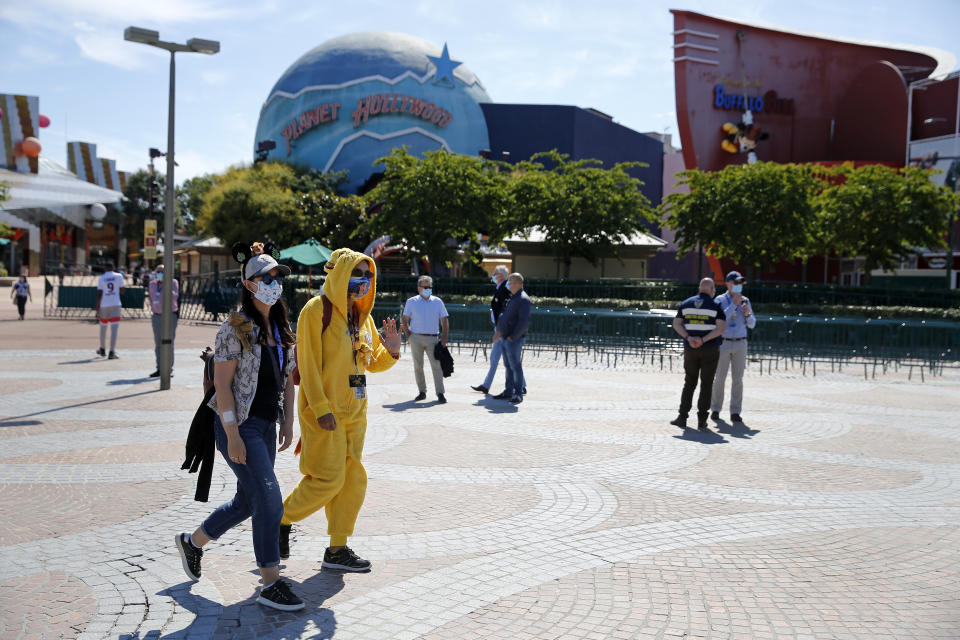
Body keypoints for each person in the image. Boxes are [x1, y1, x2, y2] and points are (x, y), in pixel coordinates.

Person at [174, 241, 305, 611]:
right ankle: (270, 580)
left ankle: (193, 542)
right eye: (266, 277)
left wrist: (289, 422)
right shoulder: (234, 326)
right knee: (268, 498)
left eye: (278, 276)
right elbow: (224, 386)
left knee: (248, 500)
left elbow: (287, 380)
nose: (274, 282)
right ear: (249, 285)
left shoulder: (281, 325)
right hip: (238, 424)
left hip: (266, 423)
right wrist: (231, 434)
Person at [279, 248, 401, 572]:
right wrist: (320, 408)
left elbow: (372, 362)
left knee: (351, 481)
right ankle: (281, 518)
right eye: (357, 273)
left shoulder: (363, 317)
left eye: (368, 275)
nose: (363, 280)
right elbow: (307, 364)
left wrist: (391, 351)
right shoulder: (315, 311)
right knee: (327, 479)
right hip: (325, 413)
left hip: (356, 414)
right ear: (340, 275)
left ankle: (337, 549)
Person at [670, 278, 727, 431]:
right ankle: (702, 421)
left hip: (690, 349)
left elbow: (676, 324)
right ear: (712, 290)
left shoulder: (686, 304)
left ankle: (682, 417)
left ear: (700, 288)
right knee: (706, 384)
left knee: (689, 383)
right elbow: (721, 328)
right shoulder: (716, 306)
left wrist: (689, 337)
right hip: (710, 349)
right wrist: (703, 339)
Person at [711, 271, 756, 424]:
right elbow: (719, 318)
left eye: (740, 283)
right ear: (728, 284)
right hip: (723, 341)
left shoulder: (745, 300)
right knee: (720, 378)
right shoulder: (720, 299)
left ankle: (735, 412)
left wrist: (748, 313)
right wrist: (733, 305)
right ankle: (715, 409)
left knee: (738, 379)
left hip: (740, 342)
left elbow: (752, 324)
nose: (738, 286)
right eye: (735, 283)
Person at [401, 275, 450, 403]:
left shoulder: (437, 302)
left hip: (433, 338)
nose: (428, 289)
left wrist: (444, 338)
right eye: (425, 287)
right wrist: (408, 336)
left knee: (437, 366)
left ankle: (440, 393)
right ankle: (422, 392)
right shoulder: (411, 301)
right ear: (419, 288)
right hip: (415, 338)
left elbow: (444, 320)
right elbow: (404, 319)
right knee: (418, 366)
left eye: (430, 287)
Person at [471, 265, 512, 394]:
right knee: (496, 358)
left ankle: (521, 385)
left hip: (503, 330)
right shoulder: (501, 288)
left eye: (495, 273)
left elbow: (505, 309)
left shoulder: (505, 288)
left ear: (502, 276)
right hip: (499, 329)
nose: (493, 275)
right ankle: (486, 385)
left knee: (509, 359)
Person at [492, 273, 531, 404]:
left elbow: (524, 322)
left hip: (513, 339)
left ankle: (518, 393)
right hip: (505, 337)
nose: (508, 284)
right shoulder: (514, 298)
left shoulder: (523, 299)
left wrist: (513, 337)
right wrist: (499, 332)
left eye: (511, 281)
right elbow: (505, 317)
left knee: (515, 366)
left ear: (518, 284)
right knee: (508, 365)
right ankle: (508, 391)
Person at [148, 264, 180, 378]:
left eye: (162, 271)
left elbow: (174, 297)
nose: (159, 274)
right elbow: (151, 299)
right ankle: (159, 368)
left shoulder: (173, 282)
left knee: (169, 342)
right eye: (158, 271)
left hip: (170, 316)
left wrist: (165, 284)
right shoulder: (152, 284)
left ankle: (168, 369)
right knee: (158, 344)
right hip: (156, 316)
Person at [96, 262, 125, 359]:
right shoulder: (119, 276)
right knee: (114, 329)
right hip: (116, 304)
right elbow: (122, 290)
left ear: (105, 268)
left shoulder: (101, 278)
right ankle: (112, 351)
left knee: (103, 328)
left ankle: (102, 348)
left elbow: (99, 294)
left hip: (104, 304)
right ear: (113, 267)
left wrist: (97, 309)